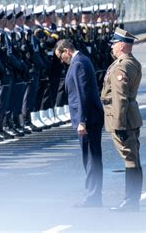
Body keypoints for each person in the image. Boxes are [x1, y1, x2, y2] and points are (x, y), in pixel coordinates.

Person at [54, 39, 104, 207]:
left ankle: (92, 197)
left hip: (88, 119)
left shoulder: (78, 64)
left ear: (67, 50)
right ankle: (94, 196)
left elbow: (83, 94)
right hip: (90, 118)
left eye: (61, 56)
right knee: (92, 159)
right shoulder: (82, 60)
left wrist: (82, 121)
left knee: (91, 160)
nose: (61, 60)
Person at [101, 28, 143, 212]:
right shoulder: (131, 63)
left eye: (115, 43)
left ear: (123, 46)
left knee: (130, 159)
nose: (112, 46)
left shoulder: (121, 66)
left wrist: (118, 124)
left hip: (122, 119)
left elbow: (120, 97)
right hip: (131, 117)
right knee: (133, 158)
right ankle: (133, 200)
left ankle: (131, 201)